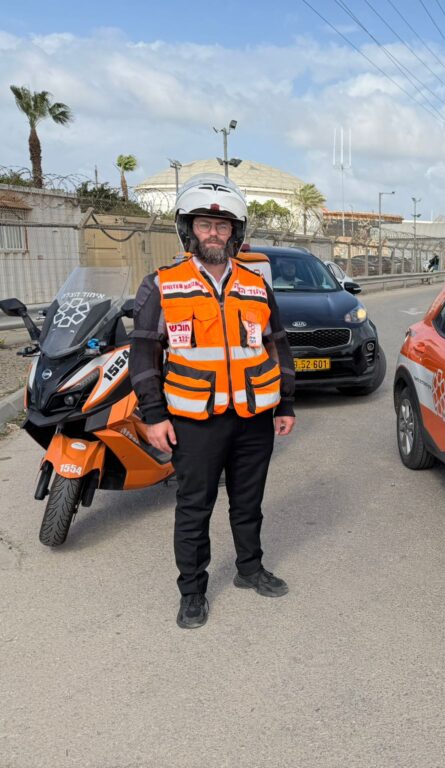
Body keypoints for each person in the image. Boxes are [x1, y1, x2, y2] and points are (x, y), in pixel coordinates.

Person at [129, 173, 296, 630]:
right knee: (194, 507)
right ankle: (192, 591)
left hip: (253, 417)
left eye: (222, 227)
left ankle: (249, 569)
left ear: (235, 233)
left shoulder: (256, 285)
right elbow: (143, 354)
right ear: (189, 229)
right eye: (205, 225)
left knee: (248, 501)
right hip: (194, 421)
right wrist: (154, 415)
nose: (214, 234)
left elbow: (278, 346)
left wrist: (285, 404)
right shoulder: (163, 284)